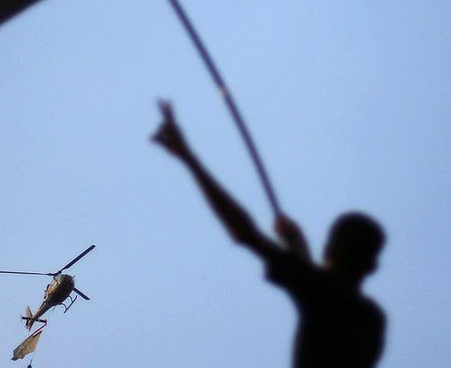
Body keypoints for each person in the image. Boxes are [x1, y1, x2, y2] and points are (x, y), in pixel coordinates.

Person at [152, 101, 386, 367]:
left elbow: (244, 233)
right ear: (372, 265)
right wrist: (299, 251)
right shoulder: (370, 318)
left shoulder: (327, 295)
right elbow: (315, 287)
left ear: (330, 252)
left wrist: (189, 158)